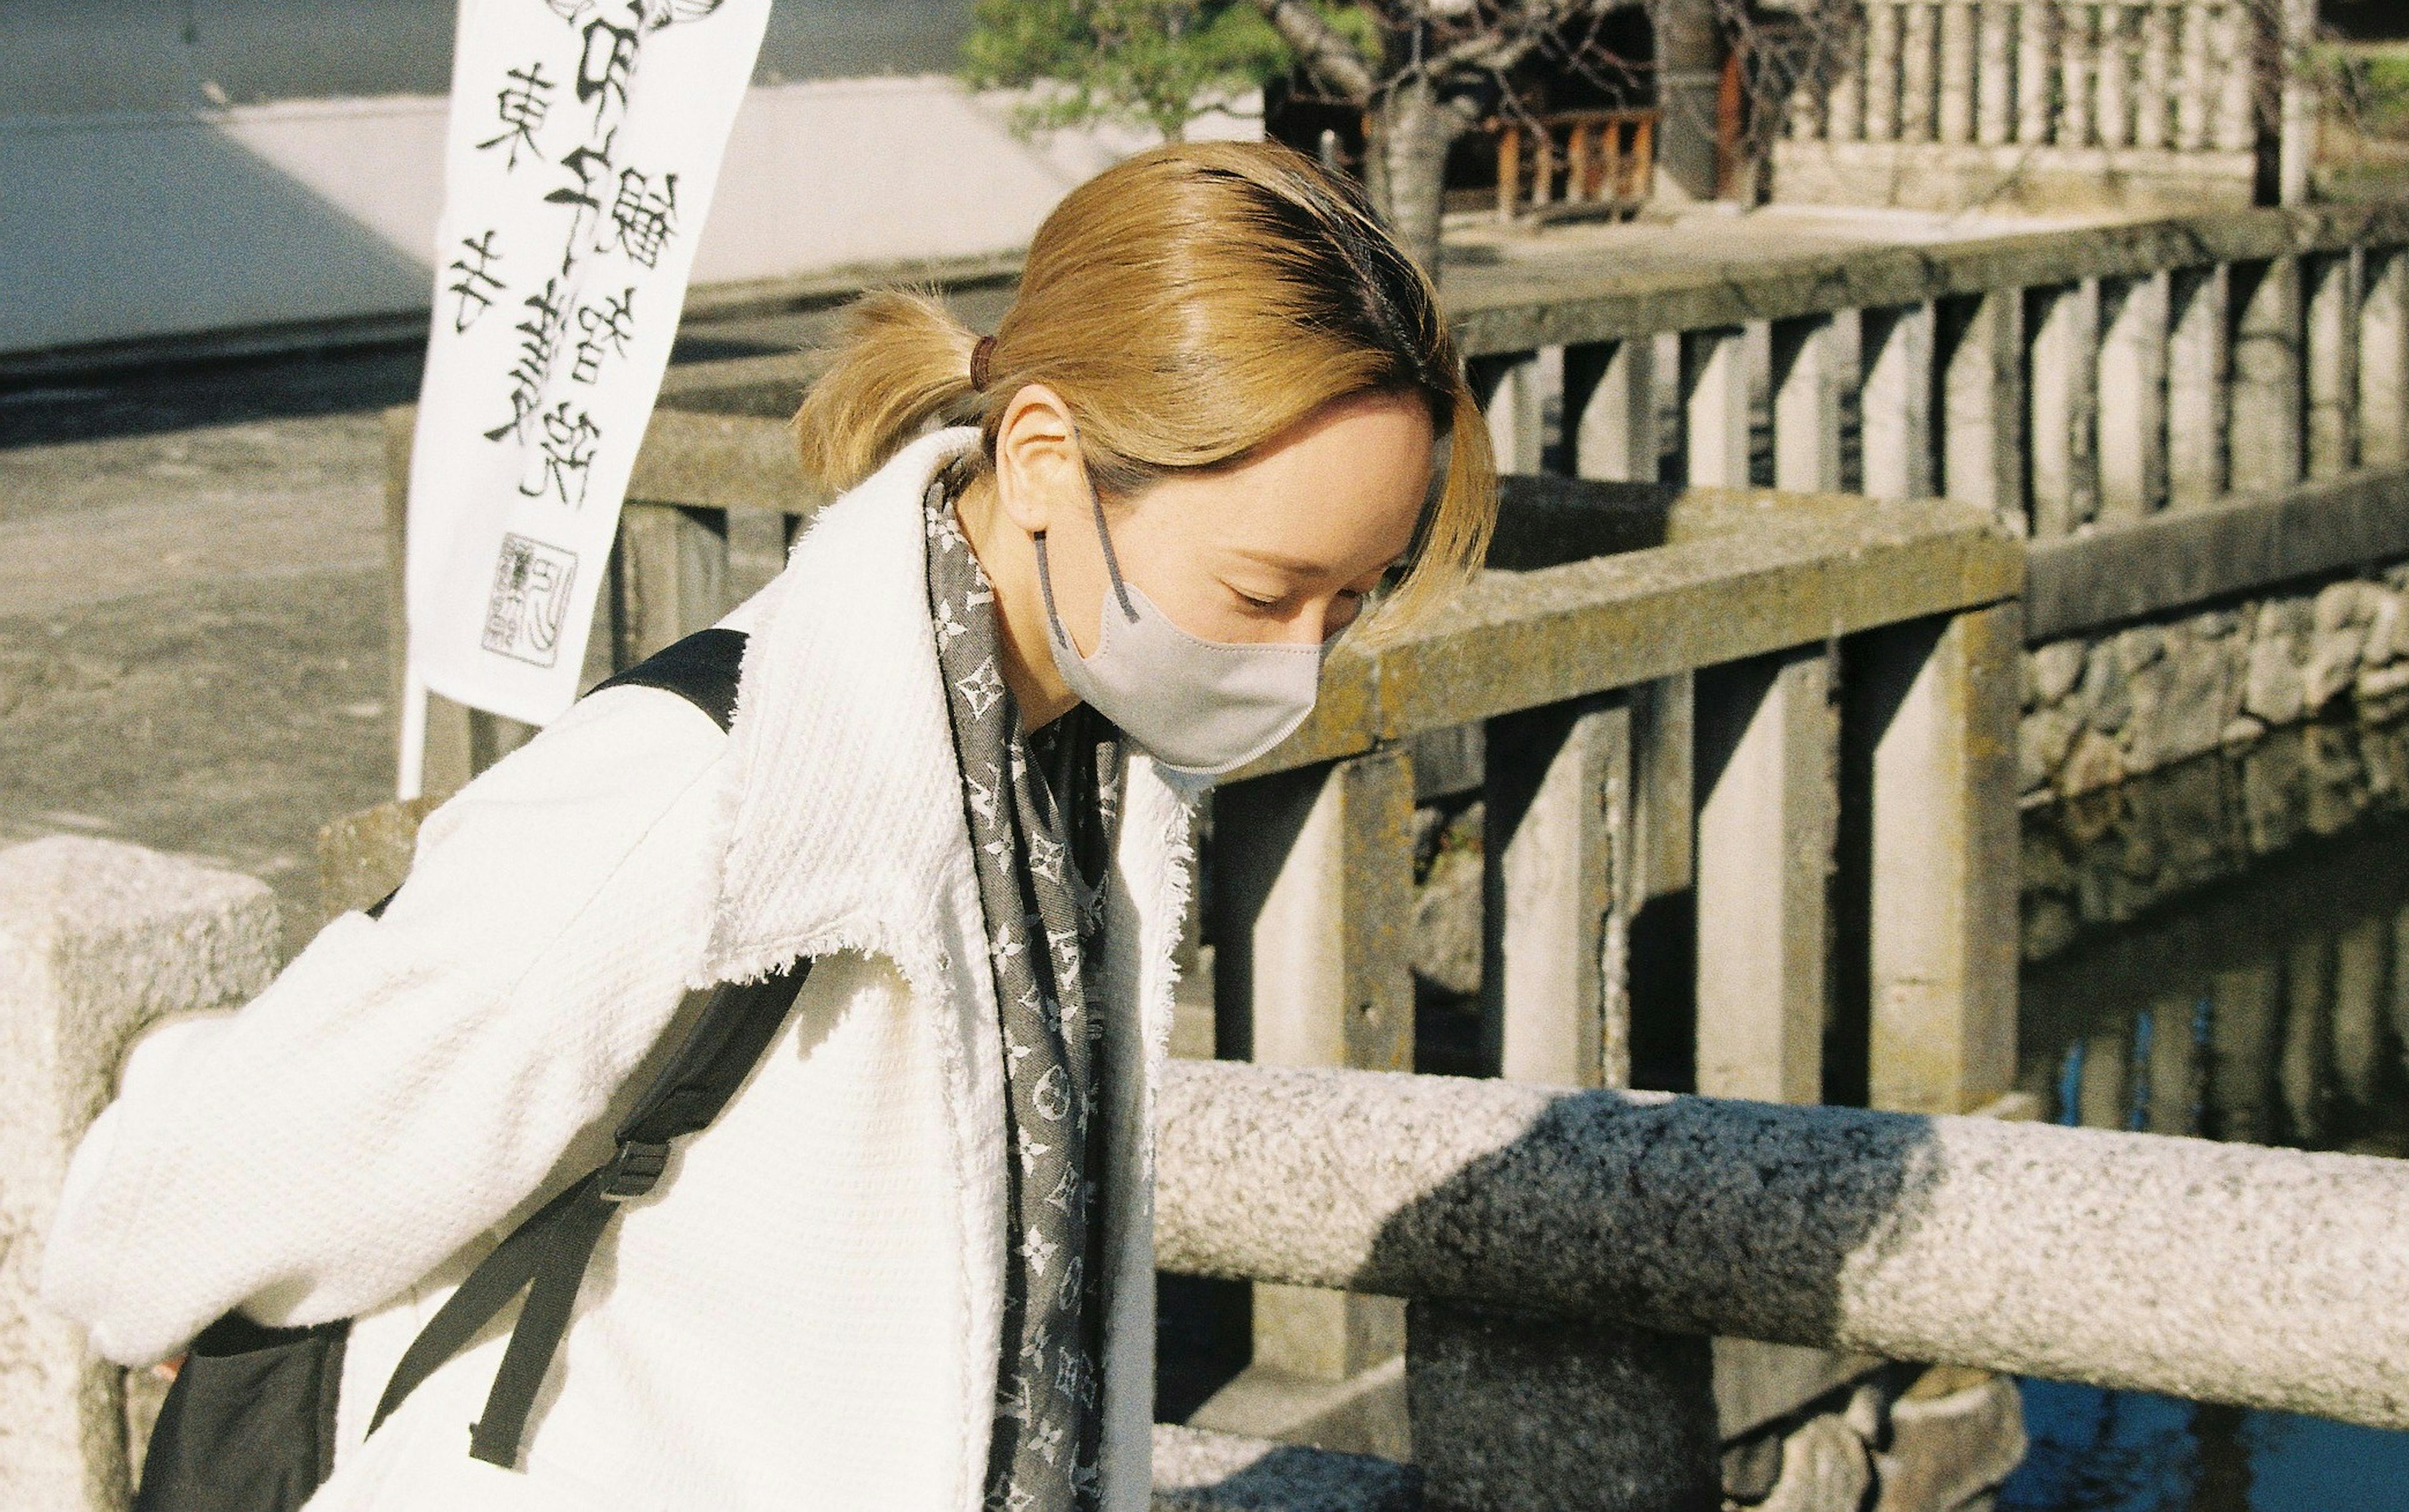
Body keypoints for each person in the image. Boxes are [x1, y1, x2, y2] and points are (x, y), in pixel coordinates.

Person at [42, 140, 1495, 1512]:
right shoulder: (692, 797)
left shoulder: (1085, 773)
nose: (1302, 661)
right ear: (1045, 456)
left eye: (1350, 599)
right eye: (1265, 592)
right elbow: (172, 1211)